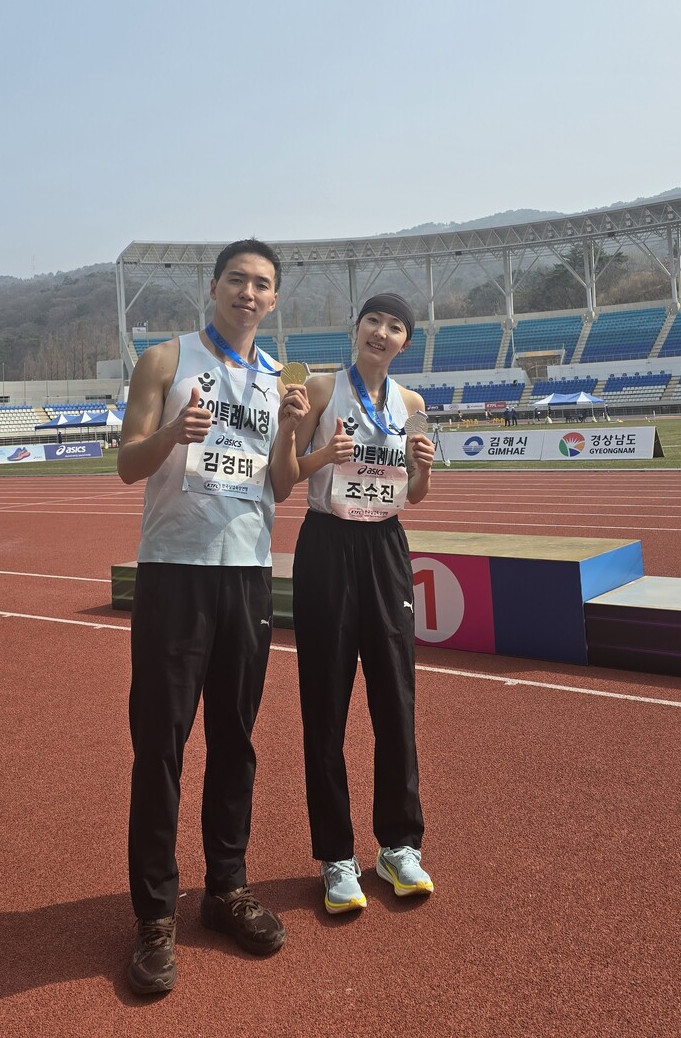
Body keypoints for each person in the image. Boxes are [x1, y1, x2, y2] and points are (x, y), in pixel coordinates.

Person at [117, 238, 306, 996]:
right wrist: (174, 434)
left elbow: (281, 488)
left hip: (248, 579)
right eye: (238, 280)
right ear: (215, 286)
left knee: (236, 741)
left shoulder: (276, 377)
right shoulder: (164, 362)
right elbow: (128, 463)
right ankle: (156, 917)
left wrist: (291, 430)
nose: (250, 293)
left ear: (274, 299)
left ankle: (226, 889)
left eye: (263, 284)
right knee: (160, 748)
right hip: (173, 577)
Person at [270, 293, 436, 917]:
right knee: (327, 701)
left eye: (396, 327)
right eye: (374, 321)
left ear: (404, 344)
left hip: (387, 546)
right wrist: (320, 453)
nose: (382, 332)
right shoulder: (317, 387)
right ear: (356, 328)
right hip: (328, 546)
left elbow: (416, 495)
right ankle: (337, 855)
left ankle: (398, 844)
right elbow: (283, 481)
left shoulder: (412, 405)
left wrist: (423, 469)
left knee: (396, 697)